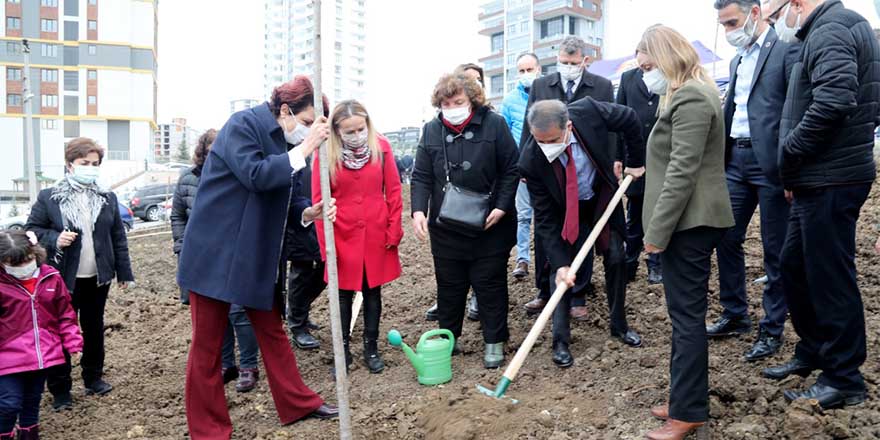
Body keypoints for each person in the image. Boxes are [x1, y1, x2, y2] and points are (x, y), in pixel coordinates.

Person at [176, 76, 338, 439]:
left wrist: (307, 212)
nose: (310, 131)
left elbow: (288, 193)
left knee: (272, 330)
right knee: (208, 344)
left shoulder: (290, 142)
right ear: (285, 110)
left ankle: (297, 403)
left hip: (254, 253)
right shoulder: (243, 126)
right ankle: (208, 428)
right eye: (308, 121)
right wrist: (307, 146)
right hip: (215, 251)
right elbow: (257, 176)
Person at [763, 0, 879, 410]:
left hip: (832, 178)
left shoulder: (832, 29)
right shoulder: (830, 28)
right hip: (818, 177)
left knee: (830, 278)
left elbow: (834, 102)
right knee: (796, 266)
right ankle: (813, 350)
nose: (776, 24)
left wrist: (791, 153)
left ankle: (844, 379)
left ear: (795, 3)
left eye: (775, 15)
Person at [638, 26, 735, 440]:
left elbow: (683, 169)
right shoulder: (681, 92)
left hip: (690, 222)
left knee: (688, 319)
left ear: (665, 57)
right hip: (687, 219)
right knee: (683, 318)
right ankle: (682, 400)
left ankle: (690, 411)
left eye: (649, 65)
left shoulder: (693, 96)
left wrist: (657, 231)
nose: (647, 73)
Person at [520, 97, 646, 368]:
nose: (545, 147)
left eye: (552, 140)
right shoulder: (531, 159)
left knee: (615, 255)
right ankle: (561, 341)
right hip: (564, 209)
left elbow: (630, 119)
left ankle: (619, 325)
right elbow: (544, 220)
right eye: (539, 140)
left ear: (568, 126)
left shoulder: (590, 111)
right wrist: (561, 263)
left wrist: (634, 161)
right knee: (562, 272)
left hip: (600, 197)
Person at [708, 0, 799, 362]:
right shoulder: (737, 59)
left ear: (755, 13)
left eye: (732, 21)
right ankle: (736, 313)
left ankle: (772, 327)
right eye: (723, 24)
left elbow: (794, 107)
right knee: (725, 236)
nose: (728, 30)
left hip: (771, 163)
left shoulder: (784, 51)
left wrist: (790, 163)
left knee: (775, 250)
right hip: (737, 160)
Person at [411, 73, 519, 369]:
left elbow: (511, 168)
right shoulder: (431, 130)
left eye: (458, 101)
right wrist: (418, 210)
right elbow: (420, 175)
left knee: (490, 282)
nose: (452, 107)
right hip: (447, 226)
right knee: (449, 284)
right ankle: (449, 338)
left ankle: (495, 340)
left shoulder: (494, 124)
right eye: (446, 103)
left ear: (471, 100)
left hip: (489, 224)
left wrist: (501, 206)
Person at [25, 137, 134, 411]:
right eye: (84, 163)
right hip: (62, 279)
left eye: (95, 164)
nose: (90, 168)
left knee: (94, 328)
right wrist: (55, 238)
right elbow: (32, 229)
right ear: (69, 164)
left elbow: (117, 237)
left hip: (98, 277)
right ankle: (61, 389)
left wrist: (123, 272)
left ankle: (93, 378)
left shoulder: (106, 197)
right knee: (60, 331)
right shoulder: (50, 197)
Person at [521, 35, 613, 320]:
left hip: (584, 170)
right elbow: (531, 126)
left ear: (584, 61)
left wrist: (614, 162)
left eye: (573, 63)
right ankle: (544, 289)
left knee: (580, 230)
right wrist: (523, 168)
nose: (568, 67)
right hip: (548, 168)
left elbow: (610, 129)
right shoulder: (541, 85)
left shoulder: (601, 86)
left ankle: (578, 294)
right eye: (563, 62)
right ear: (556, 59)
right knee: (546, 228)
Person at [311, 100, 403, 374]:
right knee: (341, 295)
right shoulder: (325, 155)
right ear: (337, 131)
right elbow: (318, 202)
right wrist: (326, 246)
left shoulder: (381, 147)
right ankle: (343, 351)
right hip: (341, 231)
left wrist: (393, 229)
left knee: (372, 291)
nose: (356, 135)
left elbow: (395, 191)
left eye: (360, 129)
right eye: (349, 131)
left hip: (375, 229)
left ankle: (371, 347)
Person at [171, 129, 262, 393]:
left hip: (232, 253)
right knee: (214, 312)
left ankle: (248, 366)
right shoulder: (188, 178)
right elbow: (177, 215)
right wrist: (181, 245)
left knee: (238, 311)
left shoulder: (238, 174)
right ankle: (226, 365)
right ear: (205, 150)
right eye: (212, 150)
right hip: (200, 256)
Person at [0, 230, 83, 440]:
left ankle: (29, 435)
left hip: (42, 355)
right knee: (9, 403)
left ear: (35, 253)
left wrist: (73, 343)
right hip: (7, 357)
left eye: (26, 260)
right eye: (13, 263)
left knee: (32, 400)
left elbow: (65, 314)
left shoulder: (51, 278)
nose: (22, 268)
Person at [615, 45, 663, 285]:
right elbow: (618, 118)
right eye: (643, 65)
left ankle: (656, 264)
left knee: (658, 213)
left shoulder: (668, 78)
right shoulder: (628, 79)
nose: (647, 69)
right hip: (634, 158)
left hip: (661, 158)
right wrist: (618, 157)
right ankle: (630, 261)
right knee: (634, 214)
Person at [501, 52, 540, 281]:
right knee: (523, 215)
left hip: (546, 165)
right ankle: (523, 259)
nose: (526, 75)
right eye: (522, 71)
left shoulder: (546, 93)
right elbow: (505, 137)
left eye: (530, 69)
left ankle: (547, 259)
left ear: (538, 69)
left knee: (548, 215)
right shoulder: (509, 101)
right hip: (521, 170)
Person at [284, 153, 326, 351]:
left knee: (326, 270)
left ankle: (298, 310)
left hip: (324, 216)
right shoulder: (298, 152)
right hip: (300, 218)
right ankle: (298, 325)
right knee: (302, 271)